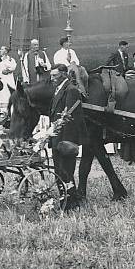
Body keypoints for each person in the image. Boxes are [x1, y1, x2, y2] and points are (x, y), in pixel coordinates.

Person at [48, 65, 87, 211]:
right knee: (60, 170)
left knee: (66, 171)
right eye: (51, 75)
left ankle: (71, 202)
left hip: (65, 138)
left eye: (55, 76)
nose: (52, 79)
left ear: (64, 75)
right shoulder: (58, 88)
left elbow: (71, 117)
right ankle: (67, 200)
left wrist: (66, 142)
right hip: (57, 136)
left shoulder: (71, 90)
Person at [0, 46, 17, 114]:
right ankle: (3, 111)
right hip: (1, 80)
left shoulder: (10, 59)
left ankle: (11, 110)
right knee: (2, 94)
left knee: (9, 93)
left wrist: (8, 70)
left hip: (8, 79)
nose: (0, 50)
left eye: (2, 49)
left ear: (5, 51)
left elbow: (13, 67)